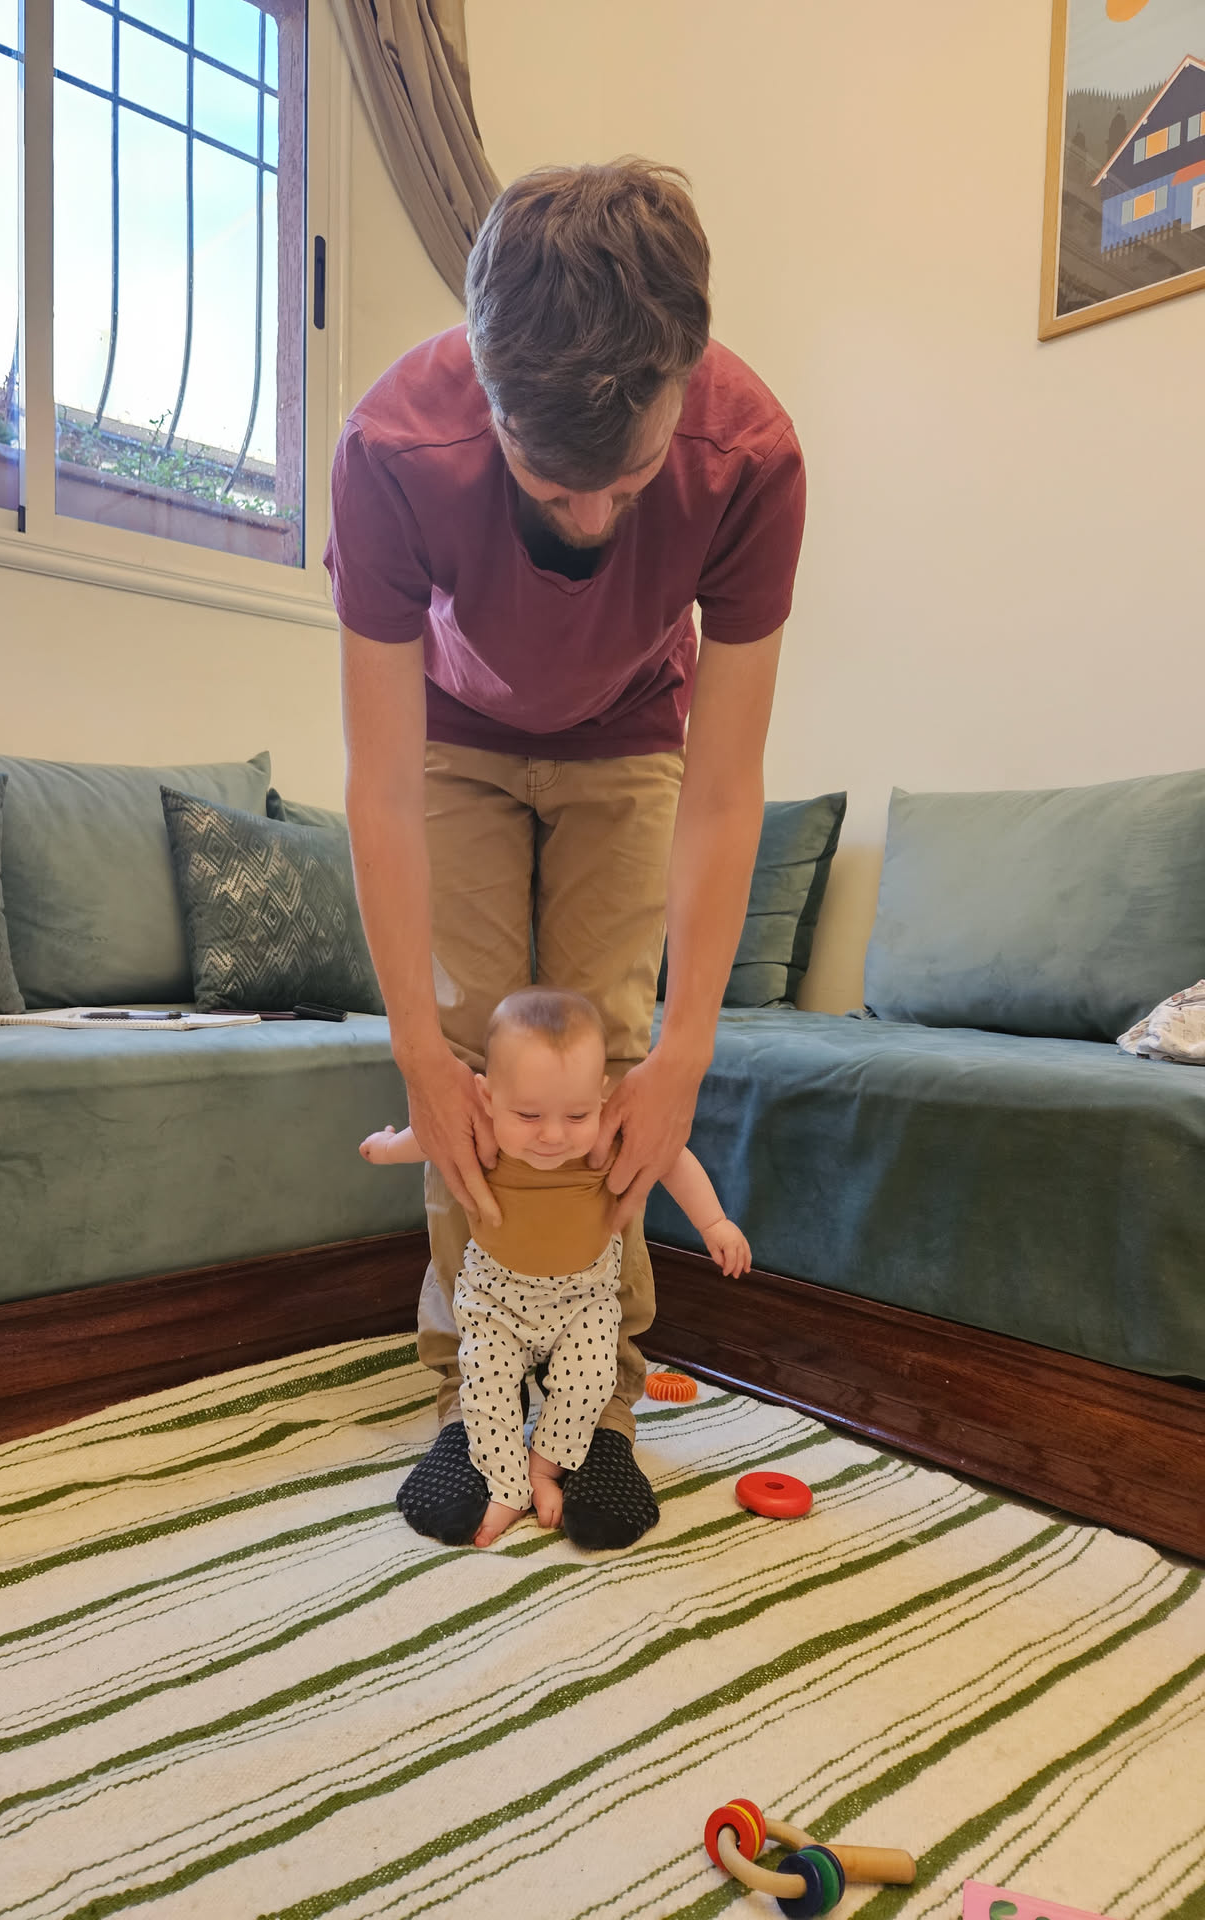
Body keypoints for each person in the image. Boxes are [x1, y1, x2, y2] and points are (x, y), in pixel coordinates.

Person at [325, 158, 805, 1551]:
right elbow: (379, 787)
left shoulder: (750, 458)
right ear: (487, 397)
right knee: (473, 1068)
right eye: (554, 487)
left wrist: (689, 1051)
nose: (593, 522)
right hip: (450, 743)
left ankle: (597, 1421)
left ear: (686, 382)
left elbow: (725, 788)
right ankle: (466, 1405)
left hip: (634, 742)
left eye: (628, 483)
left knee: (609, 1068)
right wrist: (418, 1047)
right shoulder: (392, 450)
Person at [360, 988, 750, 1548]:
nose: (552, 1134)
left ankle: (544, 1468)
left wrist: (714, 1223)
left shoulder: (609, 1137)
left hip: (584, 1301)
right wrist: (384, 1146)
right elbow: (424, 1139)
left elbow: (672, 1161)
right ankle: (506, 1485)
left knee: (589, 1382)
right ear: (486, 1096)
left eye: (577, 1114)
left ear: (603, 1095)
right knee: (486, 1389)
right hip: (494, 1302)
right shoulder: (482, 1128)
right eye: (528, 1114)